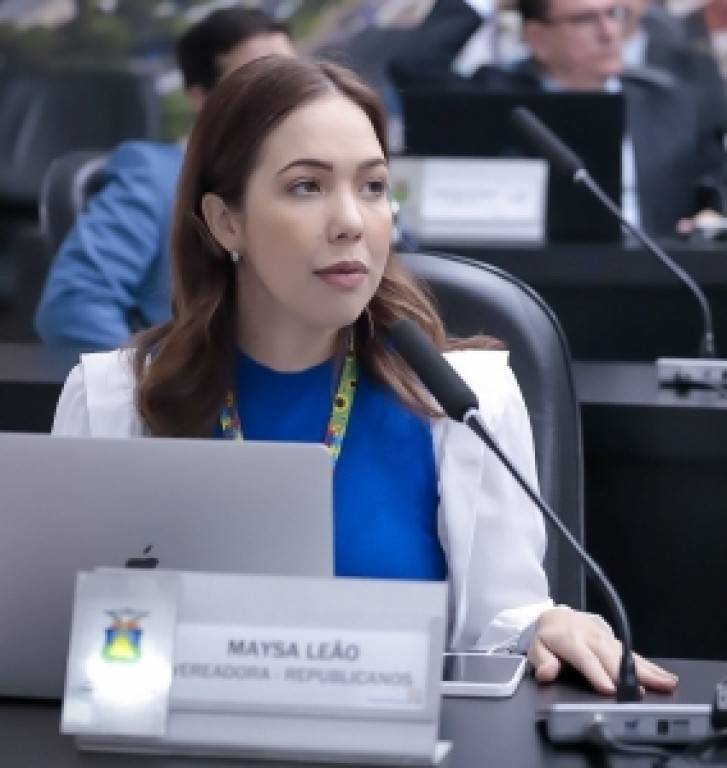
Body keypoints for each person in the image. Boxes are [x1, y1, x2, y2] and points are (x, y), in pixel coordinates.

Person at [51, 54, 678, 695]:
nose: (351, 221)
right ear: (225, 221)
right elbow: (59, 646)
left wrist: (544, 624)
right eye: (307, 186)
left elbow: (499, 627)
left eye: (373, 186)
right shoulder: (115, 401)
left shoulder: (464, 402)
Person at [34, 6, 294, 350]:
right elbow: (73, 306)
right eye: (259, 82)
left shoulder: (320, 180)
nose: (286, 96)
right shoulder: (155, 174)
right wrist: (154, 379)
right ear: (201, 98)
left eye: (292, 76)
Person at [389, 0, 727, 236]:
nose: (609, 32)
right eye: (584, 20)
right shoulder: (499, 98)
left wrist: (712, 215)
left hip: (654, 280)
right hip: (533, 280)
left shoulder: (671, 101)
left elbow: (716, 178)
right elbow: (415, 66)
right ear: (536, 37)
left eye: (614, 14)